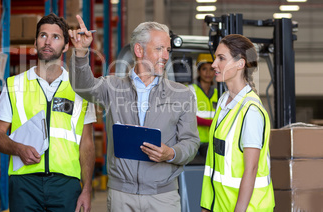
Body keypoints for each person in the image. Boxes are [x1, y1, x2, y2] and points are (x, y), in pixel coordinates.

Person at [68, 15, 200, 212]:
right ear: (139, 50)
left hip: (163, 196)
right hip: (122, 195)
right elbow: (83, 87)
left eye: (167, 50)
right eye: (159, 49)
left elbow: (191, 142)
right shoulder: (112, 87)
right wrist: (80, 53)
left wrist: (171, 153)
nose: (165, 55)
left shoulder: (182, 95)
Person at [0, 13, 96, 212]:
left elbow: (87, 143)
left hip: (66, 185)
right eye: (43, 36)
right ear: (35, 42)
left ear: (66, 46)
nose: (48, 42)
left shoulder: (80, 89)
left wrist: (87, 189)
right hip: (24, 184)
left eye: (56, 37)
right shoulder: (15, 85)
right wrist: (18, 148)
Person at [200, 34, 274, 211]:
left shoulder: (251, 111)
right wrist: (207, 206)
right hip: (219, 206)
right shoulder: (224, 101)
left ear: (240, 64)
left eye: (221, 58)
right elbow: (215, 164)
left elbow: (251, 168)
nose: (213, 64)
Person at [188, 54, 217, 155]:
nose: (208, 73)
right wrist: (213, 123)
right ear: (198, 71)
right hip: (194, 140)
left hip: (213, 140)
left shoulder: (218, 93)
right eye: (204, 69)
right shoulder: (190, 90)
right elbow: (189, 117)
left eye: (212, 69)